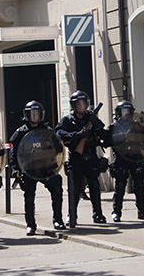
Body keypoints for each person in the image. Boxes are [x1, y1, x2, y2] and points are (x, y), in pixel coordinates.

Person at [9, 100, 66, 235]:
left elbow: (57, 147)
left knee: (57, 189)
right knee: (29, 196)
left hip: (46, 167)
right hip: (29, 168)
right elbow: (13, 153)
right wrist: (16, 170)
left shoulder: (47, 130)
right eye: (32, 114)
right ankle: (31, 224)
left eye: (37, 113)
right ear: (27, 115)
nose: (35, 116)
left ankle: (58, 219)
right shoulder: (20, 132)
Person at [55, 90, 110, 225]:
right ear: (74, 106)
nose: (82, 106)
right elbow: (59, 133)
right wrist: (77, 135)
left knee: (94, 186)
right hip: (76, 157)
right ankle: (72, 215)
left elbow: (105, 136)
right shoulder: (68, 120)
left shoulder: (91, 118)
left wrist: (97, 127)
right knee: (75, 188)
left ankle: (98, 214)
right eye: (79, 104)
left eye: (84, 103)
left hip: (91, 156)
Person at [108, 101, 144, 222]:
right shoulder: (114, 127)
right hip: (121, 159)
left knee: (139, 185)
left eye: (128, 111)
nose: (126, 114)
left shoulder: (137, 126)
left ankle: (142, 211)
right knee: (120, 186)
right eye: (123, 111)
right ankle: (116, 211)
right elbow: (106, 140)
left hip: (135, 158)